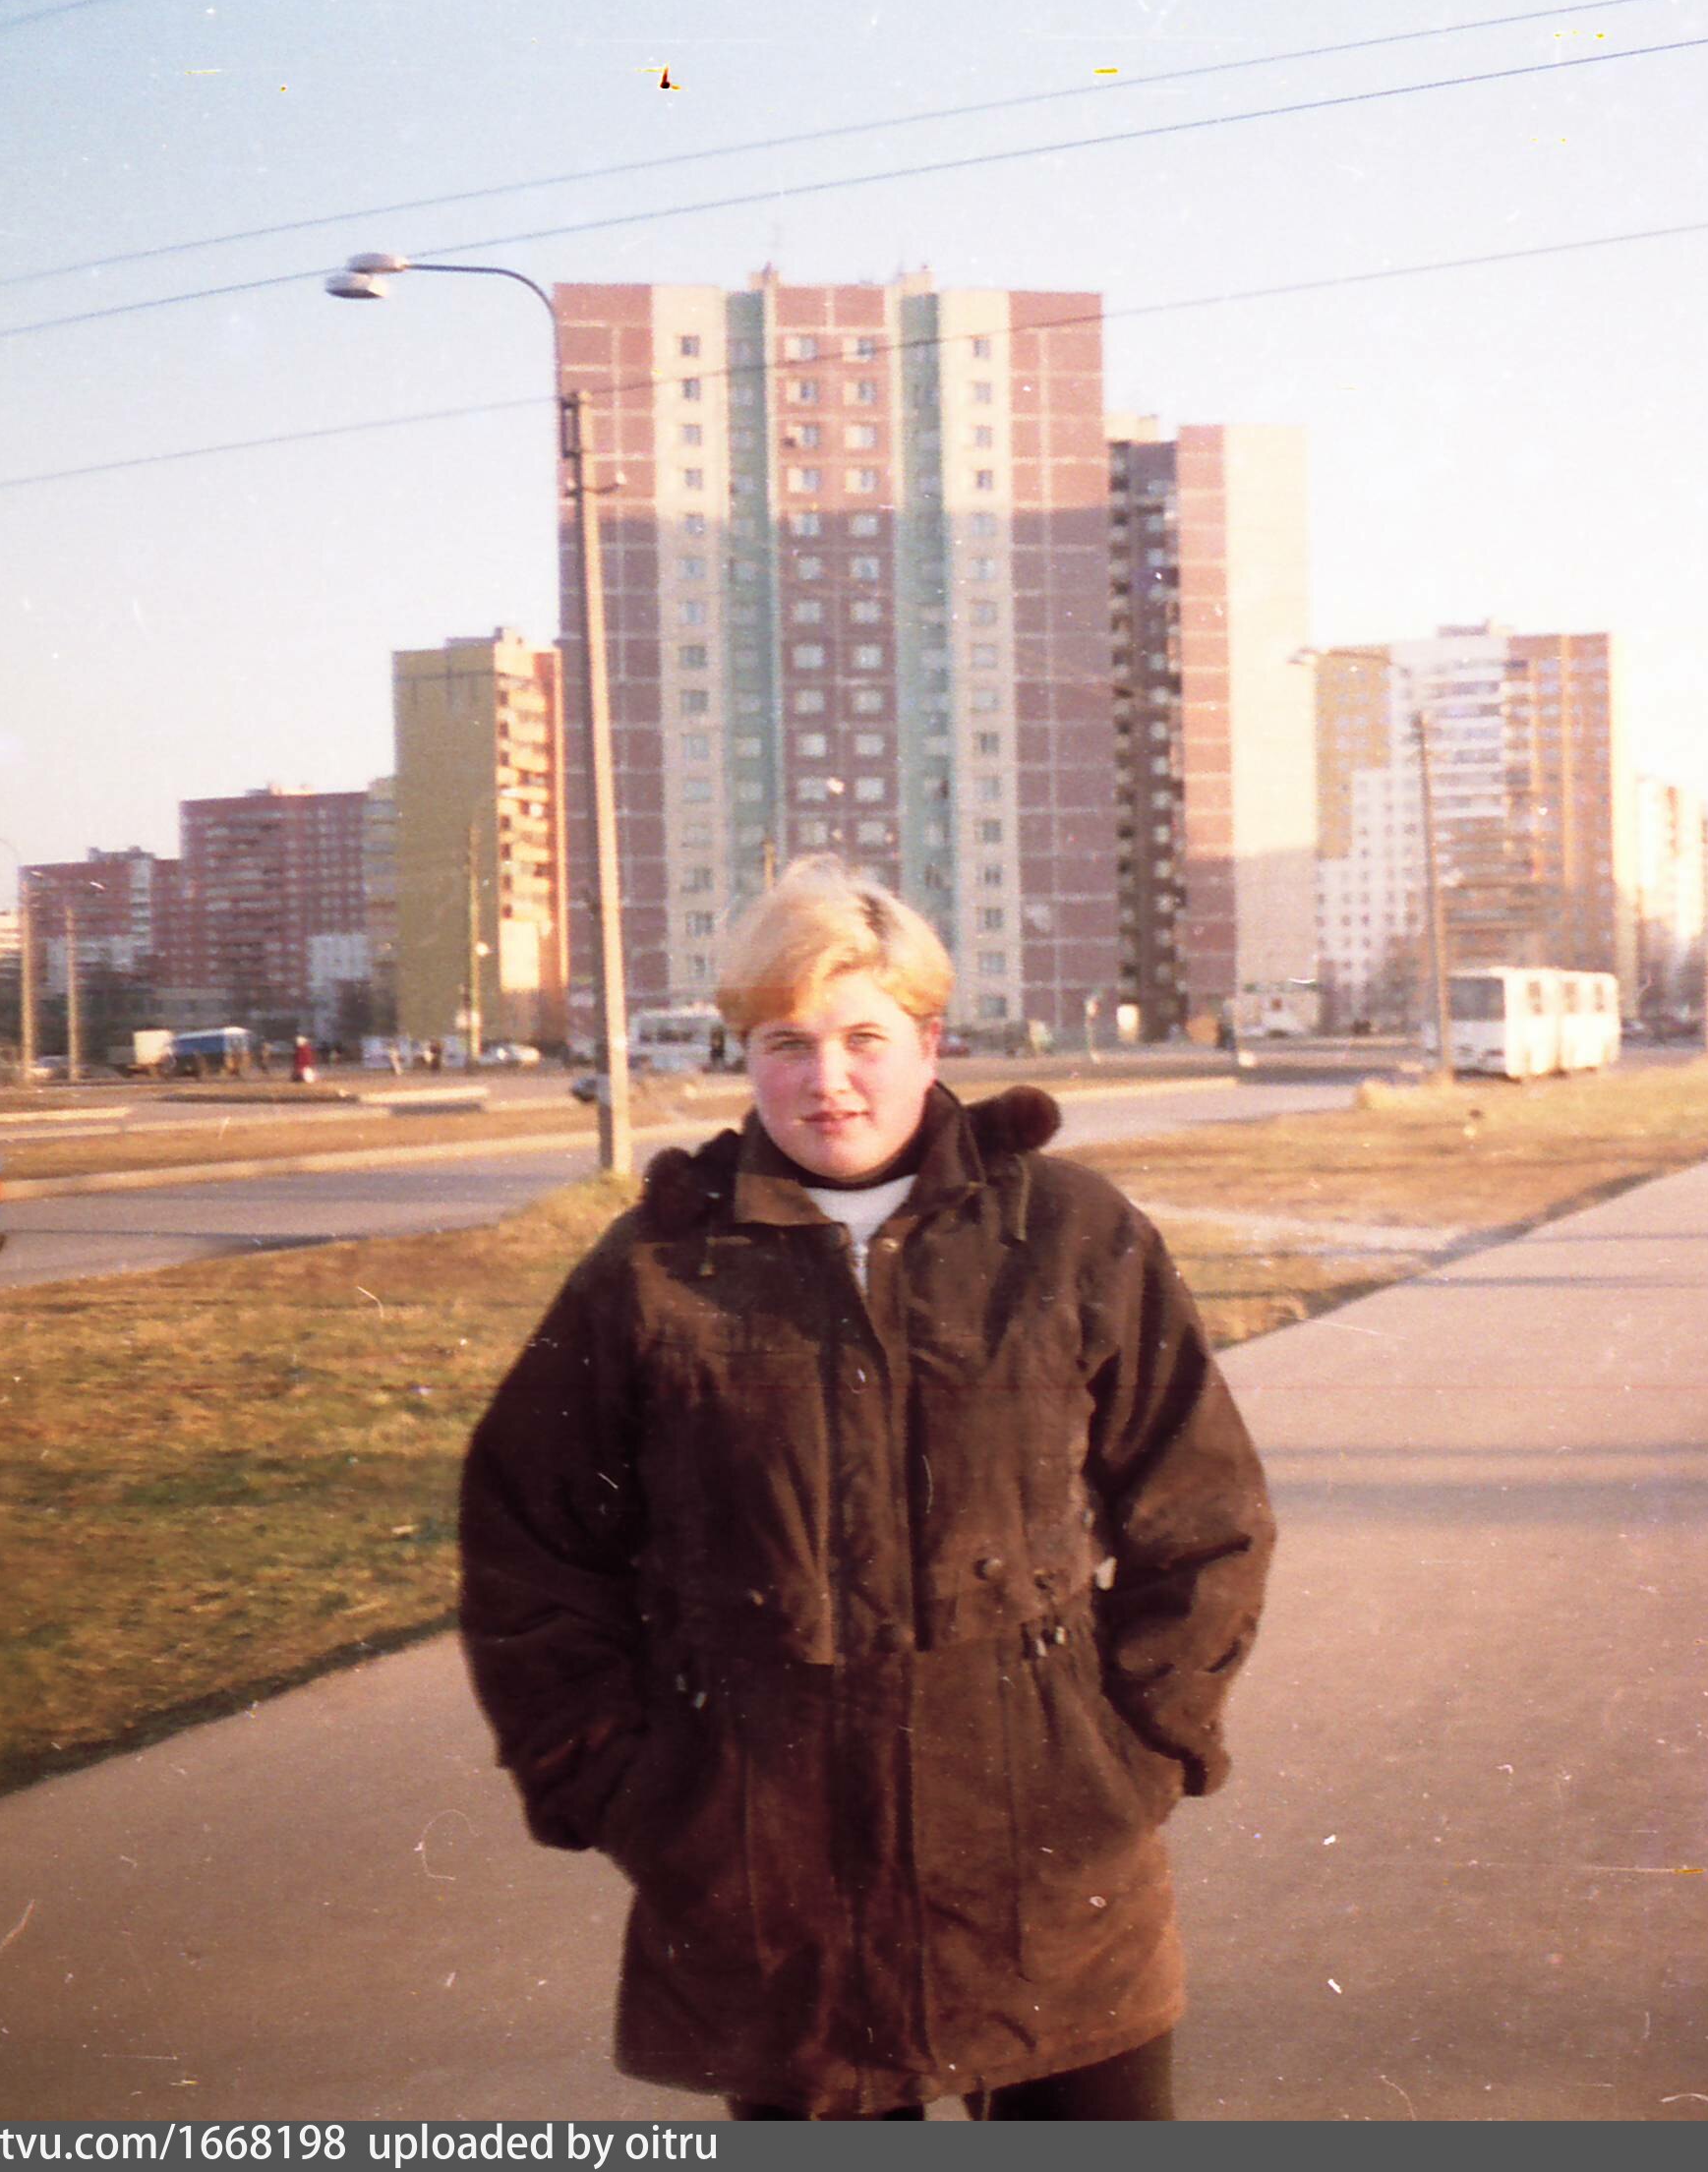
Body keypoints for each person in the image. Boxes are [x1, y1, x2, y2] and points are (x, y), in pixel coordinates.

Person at [456, 858, 1273, 2120]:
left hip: (1050, 1871)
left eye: (862, 1038)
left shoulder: (1068, 1234)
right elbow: (528, 1543)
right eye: (786, 1043)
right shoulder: (657, 1267)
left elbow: (1204, 1513)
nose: (825, 1078)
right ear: (745, 1055)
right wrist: (622, 1786)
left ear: (930, 1041)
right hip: (769, 1889)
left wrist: (1138, 1751)